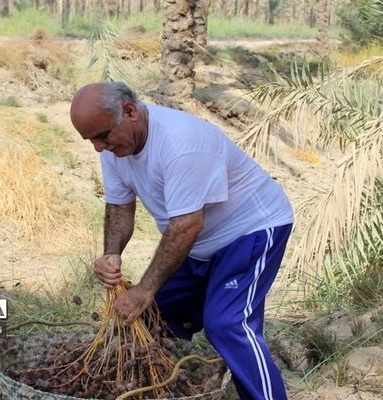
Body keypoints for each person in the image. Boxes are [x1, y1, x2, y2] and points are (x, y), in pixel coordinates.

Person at [70, 81, 294, 400]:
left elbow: (187, 225)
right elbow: (119, 206)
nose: (97, 147)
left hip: (252, 230)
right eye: (90, 139)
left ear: (130, 111)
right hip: (198, 243)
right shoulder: (114, 148)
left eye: (102, 136)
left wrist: (144, 290)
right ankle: (158, 387)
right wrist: (111, 253)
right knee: (150, 314)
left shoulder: (180, 141)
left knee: (228, 324)